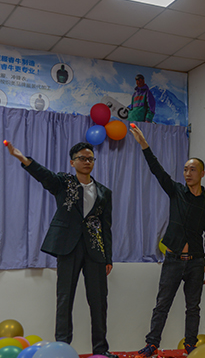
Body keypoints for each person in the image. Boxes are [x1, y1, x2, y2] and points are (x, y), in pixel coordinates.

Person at [4, 141, 116, 358]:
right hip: (68, 247)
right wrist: (22, 158)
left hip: (95, 250)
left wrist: (108, 257)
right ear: (72, 162)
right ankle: (62, 348)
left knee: (99, 302)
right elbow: (43, 175)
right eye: (82, 158)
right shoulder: (64, 183)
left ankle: (101, 349)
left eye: (90, 158)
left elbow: (106, 227)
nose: (87, 162)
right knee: (65, 299)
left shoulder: (104, 192)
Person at [130, 126, 205, 357]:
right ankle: (152, 344)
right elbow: (157, 171)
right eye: (185, 169)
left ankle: (190, 345)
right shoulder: (176, 191)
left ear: (202, 173)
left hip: (196, 261)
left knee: (193, 307)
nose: (188, 173)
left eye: (193, 169)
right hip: (173, 258)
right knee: (162, 304)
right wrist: (144, 144)